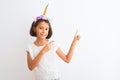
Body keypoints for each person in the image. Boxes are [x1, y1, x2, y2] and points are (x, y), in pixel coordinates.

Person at [26, 4, 80, 80]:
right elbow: (31, 67)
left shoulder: (52, 44)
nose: (43, 31)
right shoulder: (30, 47)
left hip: (55, 78)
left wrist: (74, 42)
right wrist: (43, 51)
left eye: (46, 29)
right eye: (40, 28)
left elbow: (67, 59)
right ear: (35, 29)